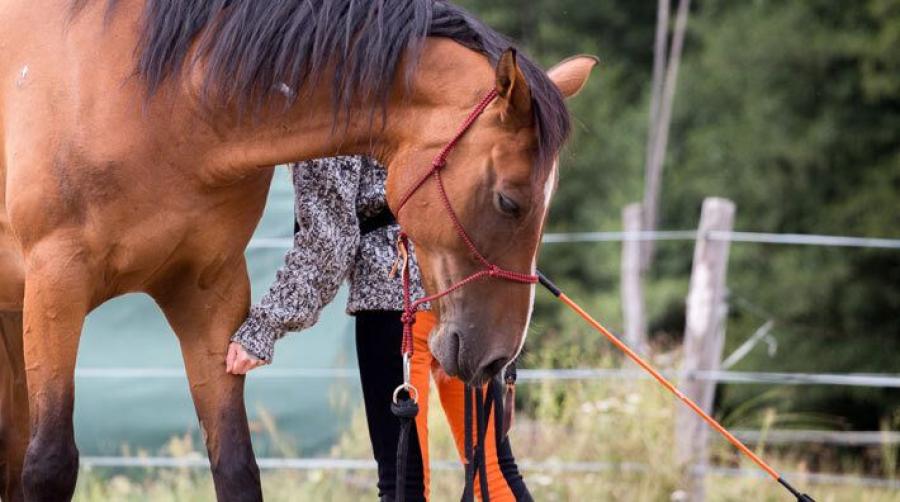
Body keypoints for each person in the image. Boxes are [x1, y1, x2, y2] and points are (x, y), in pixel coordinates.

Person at [226, 156, 532, 501]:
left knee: (404, 484)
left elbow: (328, 242)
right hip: (465, 289)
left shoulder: (331, 109)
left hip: (395, 303)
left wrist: (264, 326)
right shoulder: (445, 99)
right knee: (493, 471)